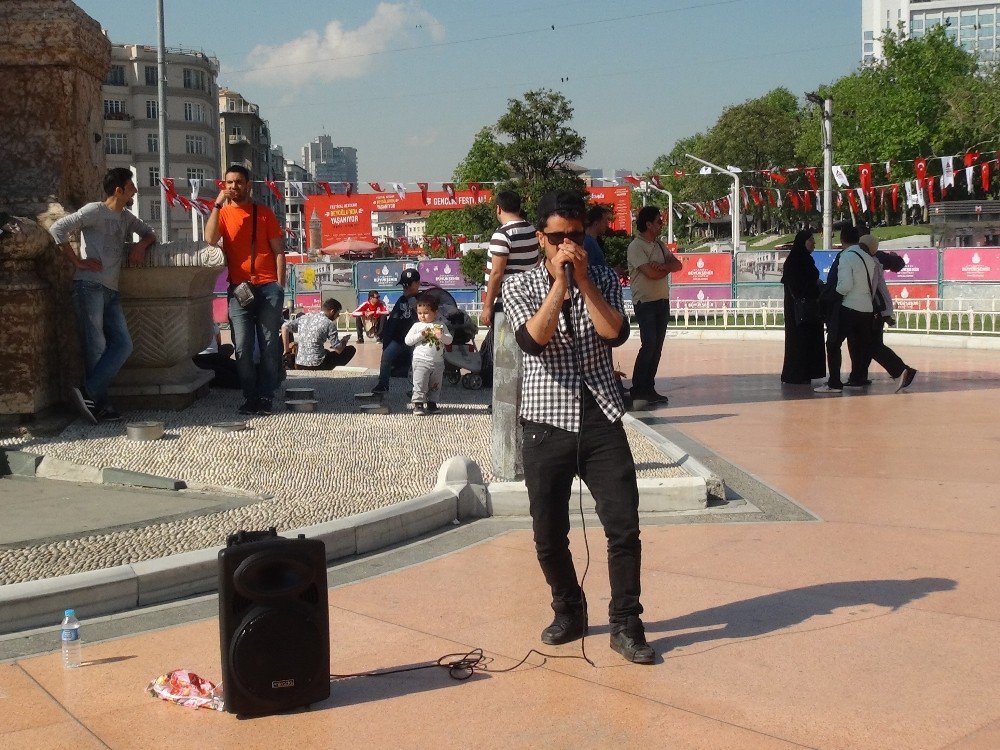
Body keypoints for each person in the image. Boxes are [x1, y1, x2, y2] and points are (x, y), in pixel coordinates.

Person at [503, 190, 654, 665]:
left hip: (600, 414)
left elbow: (615, 333)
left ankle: (627, 622)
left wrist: (585, 284)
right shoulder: (520, 285)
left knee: (623, 525)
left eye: (575, 235)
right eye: (557, 237)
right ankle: (568, 608)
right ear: (542, 239)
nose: (568, 245)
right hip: (546, 419)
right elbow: (532, 341)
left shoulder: (604, 276)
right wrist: (558, 288)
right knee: (548, 531)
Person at [49, 167, 156, 424]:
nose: (135, 191)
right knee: (96, 348)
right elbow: (57, 229)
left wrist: (142, 245)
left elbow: (150, 232)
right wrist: (78, 262)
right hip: (89, 286)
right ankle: (100, 404)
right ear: (118, 190)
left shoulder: (126, 217)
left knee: (123, 345)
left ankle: (88, 394)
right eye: (131, 187)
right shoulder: (94, 210)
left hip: (112, 290)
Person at [205, 164, 286, 416]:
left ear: (248, 185)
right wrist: (217, 205)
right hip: (239, 290)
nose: (233, 187)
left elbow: (279, 252)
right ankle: (250, 396)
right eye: (229, 182)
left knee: (270, 345)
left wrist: (280, 286)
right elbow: (209, 238)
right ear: (224, 185)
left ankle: (265, 395)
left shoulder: (264, 213)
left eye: (238, 182)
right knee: (242, 346)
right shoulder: (224, 213)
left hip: (267, 286)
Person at [478, 190, 540, 387]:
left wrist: (487, 306)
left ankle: (504, 398)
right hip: (530, 299)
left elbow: (497, 272)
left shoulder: (502, 234)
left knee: (504, 353)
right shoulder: (532, 230)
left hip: (505, 302)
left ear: (498, 208)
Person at [626, 205, 682, 406]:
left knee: (657, 347)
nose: (661, 224)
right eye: (658, 221)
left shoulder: (659, 246)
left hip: (662, 302)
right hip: (645, 303)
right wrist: (665, 269)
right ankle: (638, 389)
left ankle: (649, 388)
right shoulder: (636, 247)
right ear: (648, 224)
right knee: (648, 345)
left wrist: (664, 267)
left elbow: (678, 265)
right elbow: (650, 273)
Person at [815, 225, 876, 394]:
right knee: (859, 345)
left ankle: (834, 382)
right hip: (866, 309)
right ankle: (858, 377)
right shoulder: (868, 257)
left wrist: (830, 296)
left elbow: (845, 285)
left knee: (833, 343)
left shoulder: (846, 256)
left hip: (849, 307)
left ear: (841, 240)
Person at [860, 235, 918, 392]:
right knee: (870, 344)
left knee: (872, 345)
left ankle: (900, 370)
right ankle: (859, 376)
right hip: (878, 309)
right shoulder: (873, 260)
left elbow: (873, 291)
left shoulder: (870, 262)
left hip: (875, 309)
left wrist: (881, 313)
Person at [780, 229, 826, 384]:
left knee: (807, 341)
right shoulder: (796, 261)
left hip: (805, 308)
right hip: (800, 309)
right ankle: (797, 374)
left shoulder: (805, 259)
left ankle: (805, 372)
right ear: (802, 242)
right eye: (810, 240)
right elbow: (799, 285)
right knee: (799, 341)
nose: (814, 243)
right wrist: (816, 285)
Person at [370, 269, 421, 395]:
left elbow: (425, 317)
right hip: (399, 338)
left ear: (417, 283)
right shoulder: (401, 299)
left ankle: (418, 390)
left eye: (408, 284)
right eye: (403, 284)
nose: (405, 287)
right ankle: (383, 384)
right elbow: (394, 318)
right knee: (386, 357)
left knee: (417, 363)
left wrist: (415, 305)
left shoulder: (424, 298)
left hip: (416, 338)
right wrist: (386, 335)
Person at [403, 293, 453, 415]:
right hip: (421, 360)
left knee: (435, 384)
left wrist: (442, 336)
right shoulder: (417, 326)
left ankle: (432, 403)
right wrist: (421, 335)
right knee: (420, 382)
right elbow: (408, 341)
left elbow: (449, 339)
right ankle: (418, 403)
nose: (422, 316)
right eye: (420, 313)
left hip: (438, 362)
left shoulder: (440, 325)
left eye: (426, 313)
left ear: (435, 312)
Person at [282, 298, 356, 370]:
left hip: (299, 363)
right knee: (351, 350)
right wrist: (344, 341)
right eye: (337, 314)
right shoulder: (329, 323)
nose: (338, 316)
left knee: (325, 351)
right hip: (318, 364)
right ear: (332, 311)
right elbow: (338, 349)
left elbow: (285, 327)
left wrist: (286, 350)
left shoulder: (305, 317)